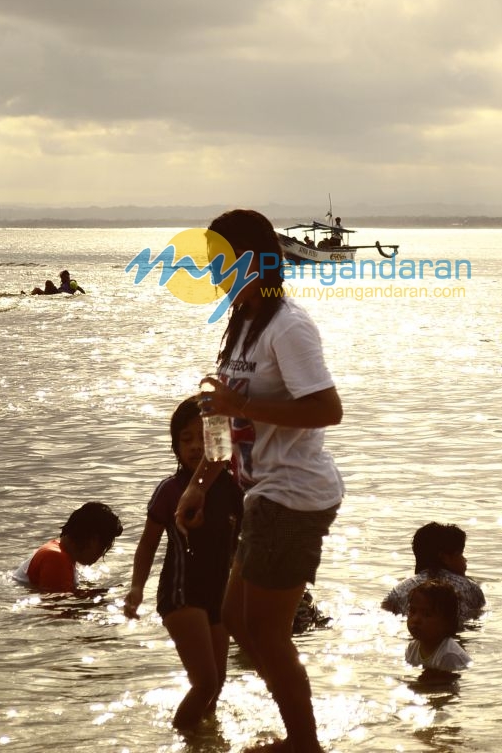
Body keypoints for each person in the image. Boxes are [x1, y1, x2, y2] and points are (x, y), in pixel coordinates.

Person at [175, 209, 344, 753]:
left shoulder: (288, 326)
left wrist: (240, 401)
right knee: (239, 622)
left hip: (293, 495)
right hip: (261, 493)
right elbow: (226, 421)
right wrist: (200, 482)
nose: (212, 273)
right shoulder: (244, 321)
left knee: (265, 632)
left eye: (219, 261)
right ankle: (298, 730)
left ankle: (303, 743)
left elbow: (326, 409)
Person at [124, 397, 243, 733]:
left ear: (216, 441)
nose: (193, 447)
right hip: (181, 596)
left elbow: (239, 545)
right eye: (185, 439)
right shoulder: (172, 490)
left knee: (217, 685)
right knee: (204, 683)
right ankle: (180, 740)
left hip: (217, 598)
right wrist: (136, 588)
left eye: (202, 438)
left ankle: (205, 740)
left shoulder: (233, 489)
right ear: (174, 446)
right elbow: (147, 544)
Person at [382, 522, 485, 627]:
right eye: (460, 554)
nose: (464, 560)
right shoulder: (471, 588)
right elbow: (478, 617)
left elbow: (384, 611)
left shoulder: (399, 590)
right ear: (445, 558)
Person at [13, 502, 123, 593]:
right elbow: (58, 609)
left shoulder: (58, 549)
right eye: (103, 546)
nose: (101, 553)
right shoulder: (56, 558)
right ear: (93, 541)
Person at [406, 580, 471, 675]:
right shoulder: (412, 648)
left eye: (426, 614)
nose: (416, 619)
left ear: (447, 622)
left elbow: (443, 686)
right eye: (412, 611)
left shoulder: (449, 655)